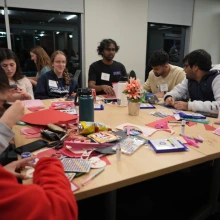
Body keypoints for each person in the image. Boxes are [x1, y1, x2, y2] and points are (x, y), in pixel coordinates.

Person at [0, 65, 78, 219]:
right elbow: (59, 211)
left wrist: (3, 172)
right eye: (1, 103)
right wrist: (49, 164)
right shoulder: (45, 77)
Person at [164, 49, 220, 113]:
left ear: (195, 67)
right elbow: (178, 91)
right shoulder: (190, 79)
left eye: (186, 66)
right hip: (197, 118)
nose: (184, 69)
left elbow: (218, 106)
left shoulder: (216, 79)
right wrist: (169, 97)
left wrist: (190, 106)